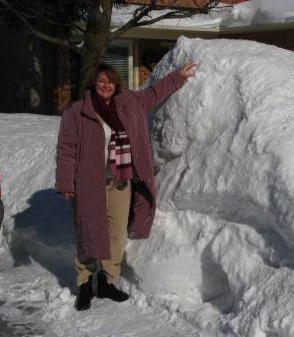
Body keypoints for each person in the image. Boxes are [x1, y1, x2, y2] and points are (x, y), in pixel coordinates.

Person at [55, 61, 196, 311]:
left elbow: (154, 93)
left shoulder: (130, 102)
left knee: (116, 233)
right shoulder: (77, 112)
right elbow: (66, 149)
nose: (106, 85)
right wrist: (65, 181)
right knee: (88, 232)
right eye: (101, 81)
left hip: (120, 181)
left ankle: (107, 280)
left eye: (110, 81)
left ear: (116, 83)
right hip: (89, 183)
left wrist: (178, 77)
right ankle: (85, 282)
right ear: (93, 84)